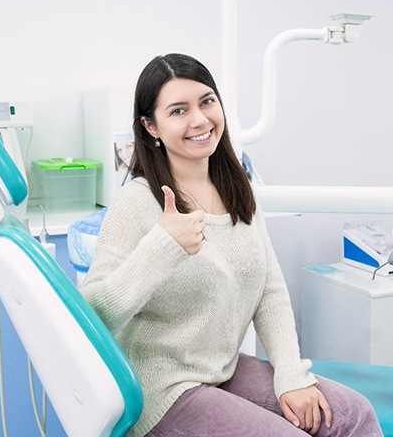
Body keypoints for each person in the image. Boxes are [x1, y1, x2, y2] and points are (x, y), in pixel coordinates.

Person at [80, 53, 383, 437]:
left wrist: (291, 374)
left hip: (222, 367)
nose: (199, 120)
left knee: (352, 413)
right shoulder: (137, 202)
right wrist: (162, 247)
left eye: (207, 101)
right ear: (150, 126)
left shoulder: (239, 188)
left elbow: (269, 289)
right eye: (178, 110)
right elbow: (91, 317)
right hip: (160, 389)